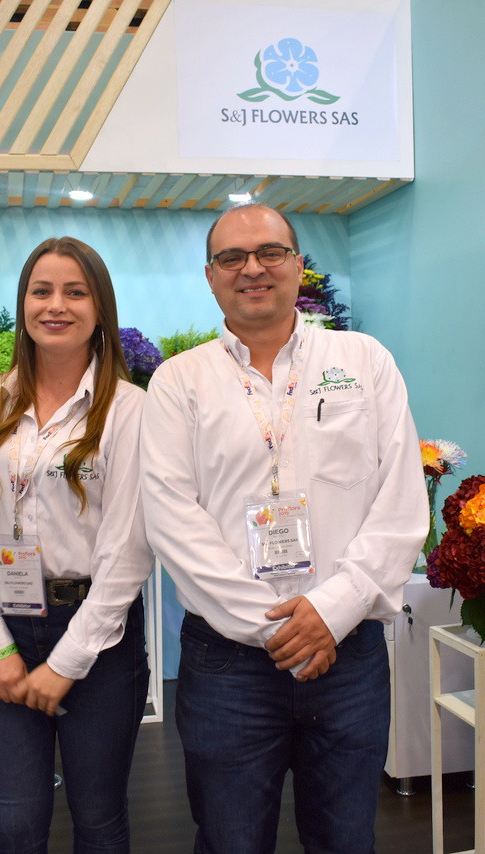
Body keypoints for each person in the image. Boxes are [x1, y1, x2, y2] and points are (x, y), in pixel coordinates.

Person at [139, 203, 428, 854]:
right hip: (228, 666)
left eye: (270, 252)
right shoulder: (178, 383)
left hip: (348, 654)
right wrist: (284, 630)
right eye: (231, 258)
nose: (252, 269)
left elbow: (401, 502)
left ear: (299, 265)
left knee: (346, 840)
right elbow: (172, 520)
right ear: (210, 276)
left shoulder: (363, 360)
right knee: (231, 840)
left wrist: (331, 611)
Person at [0, 236, 152, 854]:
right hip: (6, 628)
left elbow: (128, 550)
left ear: (100, 308)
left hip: (100, 633)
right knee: (13, 825)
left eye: (75, 292)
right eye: (41, 291)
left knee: (99, 821)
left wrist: (68, 661)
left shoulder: (130, 409)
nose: (56, 305)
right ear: (23, 304)